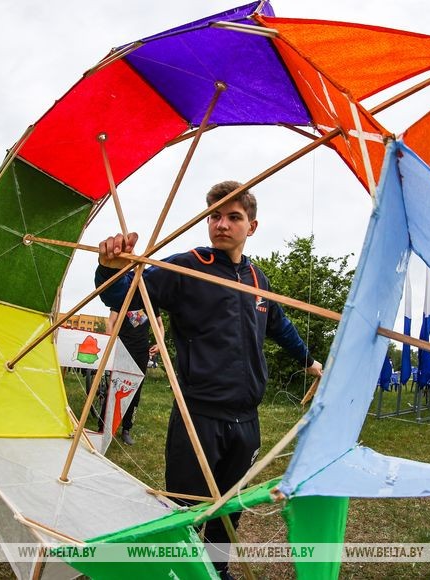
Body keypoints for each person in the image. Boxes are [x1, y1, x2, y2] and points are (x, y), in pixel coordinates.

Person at [96, 181, 322, 576]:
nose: (221, 224)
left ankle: (218, 571)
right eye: (214, 215)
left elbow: (279, 324)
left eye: (234, 217)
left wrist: (309, 362)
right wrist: (110, 270)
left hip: (246, 419)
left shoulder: (258, 279)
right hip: (196, 414)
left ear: (251, 226)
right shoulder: (184, 267)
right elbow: (124, 298)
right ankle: (176, 572)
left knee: (228, 507)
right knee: (184, 511)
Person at [108, 308, 163, 445]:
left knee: (135, 390)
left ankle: (126, 429)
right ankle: (105, 426)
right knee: (115, 387)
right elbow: (111, 322)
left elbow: (160, 325)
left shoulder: (151, 301)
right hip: (122, 348)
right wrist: (110, 343)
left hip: (141, 352)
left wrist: (160, 343)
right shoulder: (123, 295)